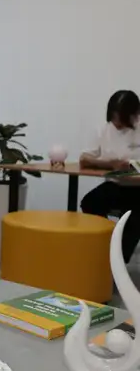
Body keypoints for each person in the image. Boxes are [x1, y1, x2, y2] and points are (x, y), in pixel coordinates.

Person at [79, 89, 140, 263]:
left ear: (134, 114)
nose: (116, 120)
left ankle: (117, 262)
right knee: (90, 202)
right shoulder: (103, 130)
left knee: (134, 218)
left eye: (121, 116)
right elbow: (84, 159)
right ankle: (104, 245)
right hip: (116, 185)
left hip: (138, 189)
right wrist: (110, 163)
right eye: (113, 115)